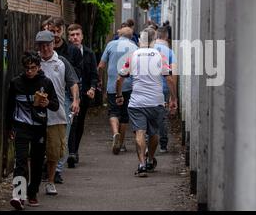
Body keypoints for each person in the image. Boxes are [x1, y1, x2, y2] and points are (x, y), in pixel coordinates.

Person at [116, 28, 178, 177]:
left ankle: (142, 164)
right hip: (156, 102)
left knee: (140, 133)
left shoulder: (132, 56)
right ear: (154, 41)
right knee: (154, 133)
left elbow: (120, 78)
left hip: (137, 102)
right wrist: (173, 98)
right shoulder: (160, 55)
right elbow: (169, 78)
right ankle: (150, 159)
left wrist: (119, 95)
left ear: (140, 41)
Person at [6, 51, 59, 210]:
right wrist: (9, 127)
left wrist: (47, 102)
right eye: (27, 68)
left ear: (39, 67)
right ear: (23, 68)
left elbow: (55, 105)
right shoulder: (16, 83)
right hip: (21, 126)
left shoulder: (46, 82)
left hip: (38, 127)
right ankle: (19, 195)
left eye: (33, 68)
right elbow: (9, 106)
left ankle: (33, 192)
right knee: (21, 160)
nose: (30, 71)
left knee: (36, 162)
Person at [36, 30, 80, 196]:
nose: (45, 49)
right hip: (35, 116)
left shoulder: (61, 62)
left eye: (47, 45)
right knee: (35, 151)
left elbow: (73, 83)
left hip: (56, 115)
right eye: (42, 46)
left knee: (54, 152)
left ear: (53, 44)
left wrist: (75, 100)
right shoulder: (34, 62)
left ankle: (51, 181)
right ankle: (33, 183)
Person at [48, 17, 82, 183]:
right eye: (51, 31)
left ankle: (57, 171)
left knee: (63, 135)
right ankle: (48, 168)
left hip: (66, 95)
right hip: (47, 97)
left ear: (62, 31)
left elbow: (76, 75)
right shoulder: (41, 50)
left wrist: (76, 99)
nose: (54, 35)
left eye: (57, 31)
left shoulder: (72, 51)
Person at [98, 27, 138, 155]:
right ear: (131, 36)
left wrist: (99, 79)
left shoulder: (111, 44)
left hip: (112, 86)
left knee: (114, 112)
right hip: (129, 86)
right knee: (125, 115)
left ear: (119, 34)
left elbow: (101, 66)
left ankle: (115, 133)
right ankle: (121, 143)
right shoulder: (135, 47)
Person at [67, 24, 98, 167]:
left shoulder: (89, 53)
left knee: (79, 123)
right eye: (72, 35)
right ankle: (70, 152)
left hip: (84, 93)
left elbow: (93, 74)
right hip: (69, 94)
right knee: (71, 123)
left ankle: (75, 150)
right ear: (68, 37)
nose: (75, 37)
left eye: (77, 34)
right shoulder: (66, 53)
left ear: (82, 36)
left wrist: (92, 88)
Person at [154, 27, 178, 153]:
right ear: (166, 37)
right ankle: (163, 145)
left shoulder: (148, 49)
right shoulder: (169, 52)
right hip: (163, 88)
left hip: (149, 88)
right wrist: (173, 96)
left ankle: (148, 141)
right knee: (161, 116)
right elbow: (173, 73)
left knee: (149, 115)